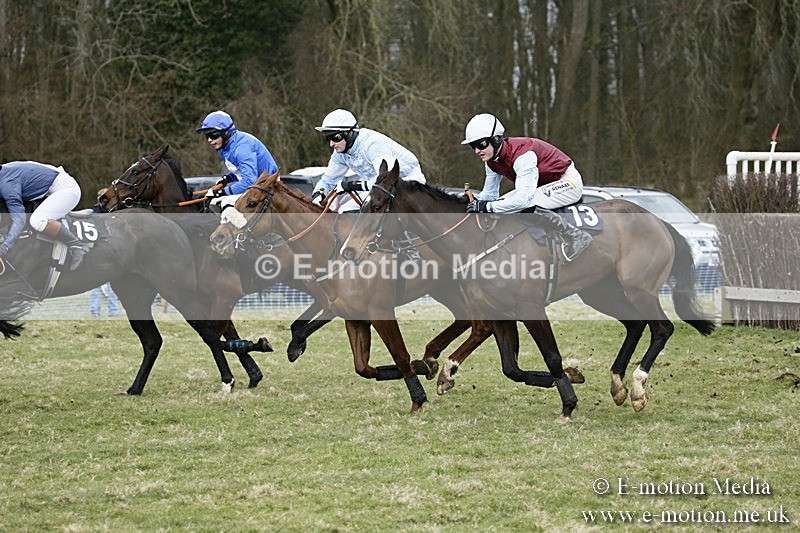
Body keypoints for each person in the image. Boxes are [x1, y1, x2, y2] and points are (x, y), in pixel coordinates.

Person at [461, 113, 592, 261]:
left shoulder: (523, 155)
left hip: (568, 182)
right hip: (544, 185)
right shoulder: (491, 161)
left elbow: (522, 200)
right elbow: (490, 196)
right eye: (473, 146)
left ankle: (576, 235)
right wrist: (468, 202)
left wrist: (488, 207)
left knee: (523, 205)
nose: (477, 150)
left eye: (481, 144)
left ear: (496, 139)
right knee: (502, 203)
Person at [311, 108, 426, 213]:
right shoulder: (340, 153)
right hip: (378, 188)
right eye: (328, 138)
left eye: (335, 138)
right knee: (344, 210)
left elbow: (388, 180)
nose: (332, 144)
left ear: (350, 134)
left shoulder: (372, 144)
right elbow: (328, 180)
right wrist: (317, 195)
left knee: (378, 209)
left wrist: (352, 185)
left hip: (407, 180)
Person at [0, 161, 89, 270]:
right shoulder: (4, 175)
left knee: (37, 221)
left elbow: (20, 220)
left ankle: (77, 245)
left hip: (66, 188)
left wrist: (6, 246)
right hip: (47, 186)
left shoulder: (8, 186)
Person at [195, 110, 278, 206]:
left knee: (223, 203)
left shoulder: (241, 149)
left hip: (267, 188)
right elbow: (241, 170)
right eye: (207, 136)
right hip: (256, 186)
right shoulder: (224, 147)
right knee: (213, 203)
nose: (209, 140)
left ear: (226, 133)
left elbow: (249, 181)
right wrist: (229, 177)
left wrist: (221, 192)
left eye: (213, 135)